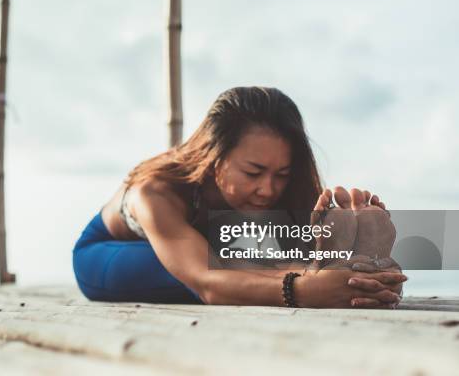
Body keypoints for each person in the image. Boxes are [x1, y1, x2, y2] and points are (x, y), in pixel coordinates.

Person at [72, 86, 406, 308]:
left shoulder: (277, 193)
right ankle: (330, 274)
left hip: (223, 250)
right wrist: (304, 291)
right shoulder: (156, 191)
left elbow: (277, 256)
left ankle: (355, 269)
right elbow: (207, 282)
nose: (268, 189)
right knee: (210, 268)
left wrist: (369, 282)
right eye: (253, 172)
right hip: (112, 253)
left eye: (282, 174)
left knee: (270, 256)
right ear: (215, 159)